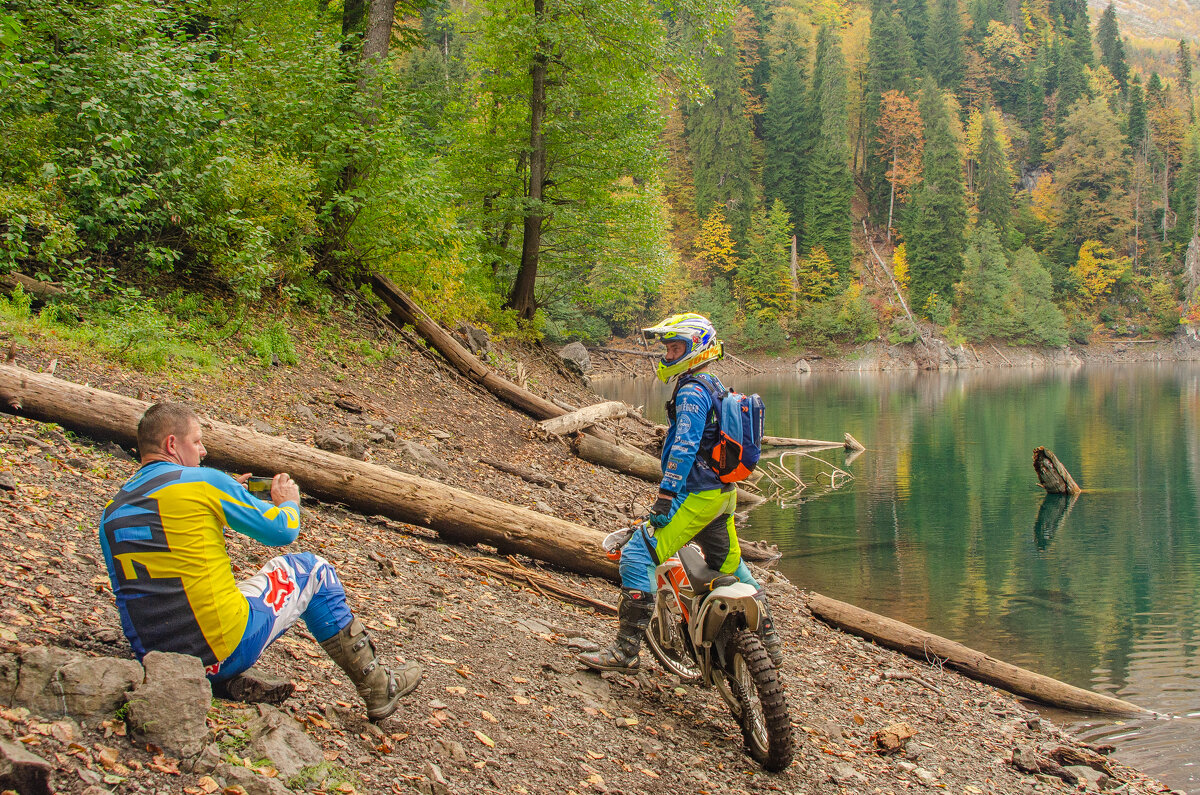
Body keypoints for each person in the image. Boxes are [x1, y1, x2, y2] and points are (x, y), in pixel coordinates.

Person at [98, 401, 421, 721]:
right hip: (219, 652)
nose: (204, 451)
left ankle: (218, 680)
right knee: (313, 570)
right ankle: (378, 685)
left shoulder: (112, 510)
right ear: (172, 444)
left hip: (155, 659)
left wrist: (228, 494)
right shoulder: (204, 481)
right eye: (196, 441)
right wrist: (289, 502)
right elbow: (282, 531)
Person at [578, 313, 783, 672]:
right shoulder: (712, 382)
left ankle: (626, 652)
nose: (669, 354)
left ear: (697, 348)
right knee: (729, 564)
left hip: (696, 496)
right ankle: (769, 639)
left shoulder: (691, 390)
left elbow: (685, 447)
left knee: (638, 556)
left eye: (676, 347)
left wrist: (666, 495)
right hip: (722, 494)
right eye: (669, 347)